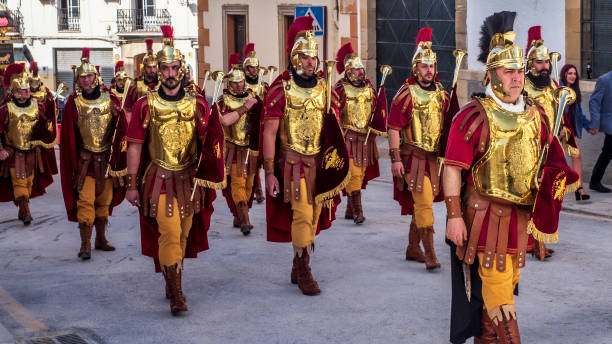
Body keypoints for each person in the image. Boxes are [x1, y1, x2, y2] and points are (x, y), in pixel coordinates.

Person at [444, 12, 578, 344]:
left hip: (521, 218)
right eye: (509, 71)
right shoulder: (472, 115)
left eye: (520, 70)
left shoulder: (535, 114)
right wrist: (454, 216)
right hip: (485, 216)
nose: (517, 77)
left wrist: (550, 196)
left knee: (507, 283)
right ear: (491, 76)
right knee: (500, 291)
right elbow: (452, 167)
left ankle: (487, 338)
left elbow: (552, 159)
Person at [124, 25, 225, 315]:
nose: (168, 73)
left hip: (189, 179)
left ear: (181, 70)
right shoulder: (146, 104)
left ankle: (171, 277)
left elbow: (210, 140)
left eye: (173, 68)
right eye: (164, 68)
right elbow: (135, 147)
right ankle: (177, 292)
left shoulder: (198, 104)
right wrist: (131, 184)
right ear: (159, 70)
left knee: (182, 233)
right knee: (168, 232)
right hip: (160, 179)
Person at [262, 16, 349, 295]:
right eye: (305, 57)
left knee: (312, 217)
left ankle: (298, 262)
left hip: (317, 162)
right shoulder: (281, 87)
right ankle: (304, 270)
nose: (310, 62)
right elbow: (269, 132)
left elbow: (334, 126)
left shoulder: (325, 88)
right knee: (301, 215)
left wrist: (337, 161)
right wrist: (268, 173)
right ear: (294, 58)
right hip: (291, 163)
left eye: (313, 57)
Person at [388, 28, 451, 270]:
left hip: (434, 159)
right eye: (424, 66)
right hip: (413, 158)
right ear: (416, 68)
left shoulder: (441, 94)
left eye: (431, 66)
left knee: (423, 203)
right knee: (424, 203)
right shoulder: (405, 94)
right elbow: (393, 128)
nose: (428, 70)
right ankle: (431, 253)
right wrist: (395, 159)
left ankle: (413, 247)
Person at [59, 48, 127, 260]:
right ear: (78, 80)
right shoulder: (73, 103)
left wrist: (120, 118)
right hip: (85, 162)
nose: (86, 80)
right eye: (83, 77)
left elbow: (121, 129)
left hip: (106, 161)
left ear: (96, 77)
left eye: (89, 76)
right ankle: (85, 243)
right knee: (85, 202)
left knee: (104, 201)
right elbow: (69, 136)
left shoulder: (112, 100)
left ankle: (100, 238)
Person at [523, 25, 578, 260]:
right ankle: (527, 241)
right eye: (539, 62)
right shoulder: (520, 86)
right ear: (530, 64)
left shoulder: (555, 86)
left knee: (549, 196)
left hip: (550, 149)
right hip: (527, 147)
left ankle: (540, 239)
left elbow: (561, 115)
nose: (545, 66)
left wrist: (566, 136)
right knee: (527, 195)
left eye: (546, 62)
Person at [334, 42, 385, 224]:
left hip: (365, 139)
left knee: (361, 174)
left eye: (361, 69)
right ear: (348, 71)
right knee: (353, 174)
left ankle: (349, 209)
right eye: (356, 70)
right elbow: (334, 114)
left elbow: (377, 110)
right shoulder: (340, 89)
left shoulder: (370, 89)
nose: (360, 72)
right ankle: (358, 211)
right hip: (348, 138)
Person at [0, 63, 57, 225]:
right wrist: (1, 149)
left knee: (29, 183)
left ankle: (22, 207)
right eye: (24, 90)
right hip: (14, 153)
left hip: (32, 153)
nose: (28, 92)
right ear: (16, 92)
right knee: (19, 181)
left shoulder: (37, 106)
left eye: (27, 89)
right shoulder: (6, 109)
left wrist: (52, 106)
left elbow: (47, 124)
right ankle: (25, 210)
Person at [218, 53, 262, 235]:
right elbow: (225, 121)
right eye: (235, 82)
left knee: (249, 186)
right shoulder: (224, 100)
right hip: (233, 149)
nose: (238, 85)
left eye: (241, 82)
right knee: (237, 184)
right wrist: (245, 107)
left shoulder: (253, 96)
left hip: (249, 149)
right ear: (229, 83)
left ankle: (239, 215)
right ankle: (245, 221)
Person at [560, 64, 591, 200]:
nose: (572, 76)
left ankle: (579, 189)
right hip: (558, 129)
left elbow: (579, 114)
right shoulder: (558, 89)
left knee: (576, 155)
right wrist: (559, 127)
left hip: (569, 129)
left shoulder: (574, 91)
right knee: (552, 160)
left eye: (574, 74)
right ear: (564, 74)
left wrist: (589, 126)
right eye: (570, 73)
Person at [243, 42, 268, 204]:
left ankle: (258, 188)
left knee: (259, 158)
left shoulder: (264, 85)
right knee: (249, 160)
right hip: (245, 125)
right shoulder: (240, 85)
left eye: (256, 67)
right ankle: (256, 188)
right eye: (251, 67)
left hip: (260, 125)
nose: (254, 70)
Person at [587, 69, 612, 193]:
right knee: (607, 153)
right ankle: (595, 181)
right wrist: (595, 123)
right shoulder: (604, 79)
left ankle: (595, 181)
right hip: (610, 124)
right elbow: (594, 102)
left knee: (607, 153)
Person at [124, 39, 160, 123]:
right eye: (149, 67)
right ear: (144, 68)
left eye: (154, 67)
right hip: (140, 123)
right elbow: (128, 110)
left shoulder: (163, 85)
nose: (152, 70)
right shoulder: (135, 87)